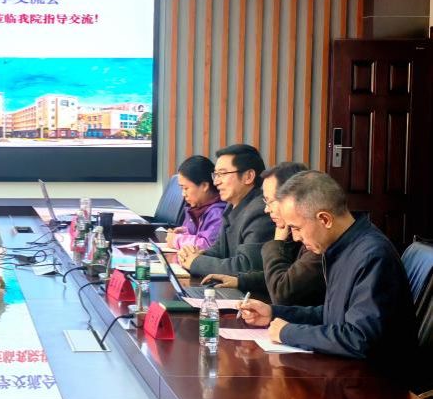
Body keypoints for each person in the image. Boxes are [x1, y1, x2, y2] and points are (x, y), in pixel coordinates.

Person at [238, 171, 418, 384]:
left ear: (324, 219)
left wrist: (289, 333)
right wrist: (274, 312)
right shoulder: (341, 246)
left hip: (377, 385)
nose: (295, 237)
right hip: (347, 375)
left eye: (296, 228)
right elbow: (333, 313)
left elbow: (359, 338)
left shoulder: (372, 255)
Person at [200, 162, 326, 306]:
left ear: (291, 198)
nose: (266, 209)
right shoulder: (293, 234)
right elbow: (285, 274)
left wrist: (277, 243)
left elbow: (282, 292)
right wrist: (240, 281)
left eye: (269, 201)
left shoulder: (316, 242)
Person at [179, 144, 275, 277]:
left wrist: (196, 263)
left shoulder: (261, 212)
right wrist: (195, 256)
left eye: (223, 174)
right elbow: (219, 250)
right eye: (216, 175)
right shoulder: (231, 206)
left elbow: (247, 266)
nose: (216, 182)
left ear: (248, 176)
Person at [165, 155, 228, 250]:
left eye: (186, 188)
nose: (183, 194)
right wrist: (184, 231)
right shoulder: (197, 209)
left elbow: (208, 244)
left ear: (204, 186)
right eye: (182, 189)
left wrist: (176, 240)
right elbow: (197, 233)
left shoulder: (217, 212)